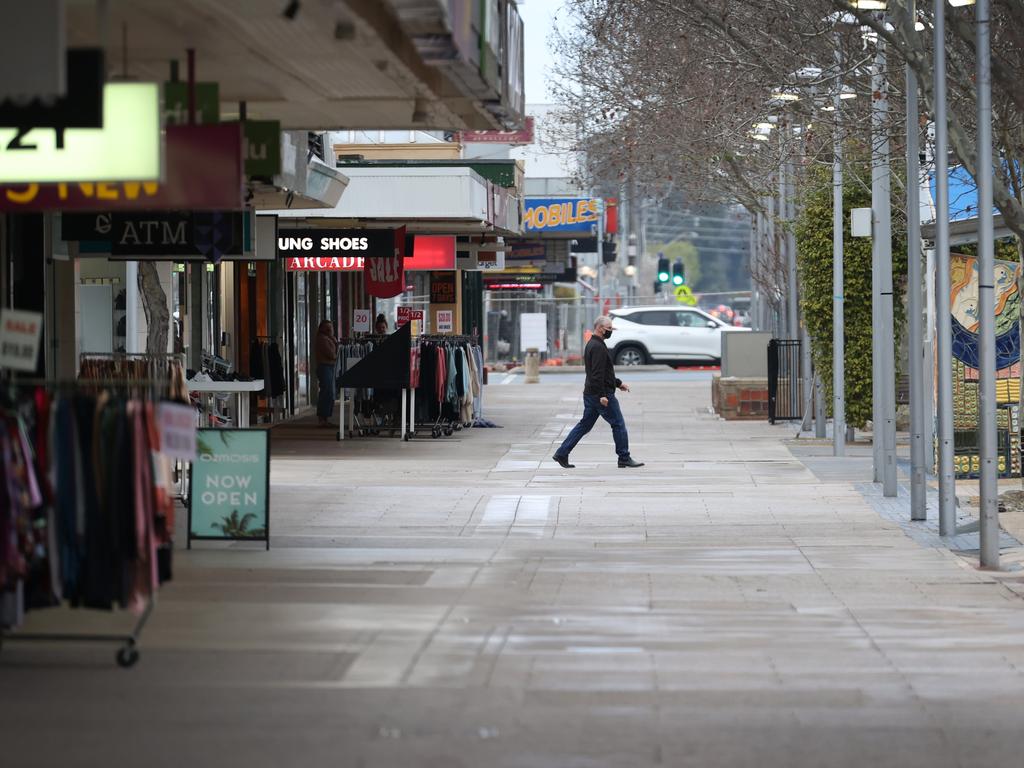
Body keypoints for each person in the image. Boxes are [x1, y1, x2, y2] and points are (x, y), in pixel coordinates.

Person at [552, 316, 644, 468]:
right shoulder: (598, 347)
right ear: (600, 328)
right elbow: (597, 374)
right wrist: (602, 395)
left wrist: (618, 383)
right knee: (618, 424)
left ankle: (562, 453)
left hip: (591, 393)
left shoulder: (594, 344)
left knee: (584, 425)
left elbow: (604, 373)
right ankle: (624, 457)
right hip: (600, 394)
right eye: (609, 329)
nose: (610, 332)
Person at [314, 320, 338, 427]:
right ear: (322, 329)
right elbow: (332, 355)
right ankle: (322, 419)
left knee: (329, 393)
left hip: (330, 368)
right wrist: (335, 343)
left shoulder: (329, 339)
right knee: (326, 392)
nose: (329, 329)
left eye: (331, 327)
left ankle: (325, 418)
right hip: (325, 367)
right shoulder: (322, 339)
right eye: (327, 327)